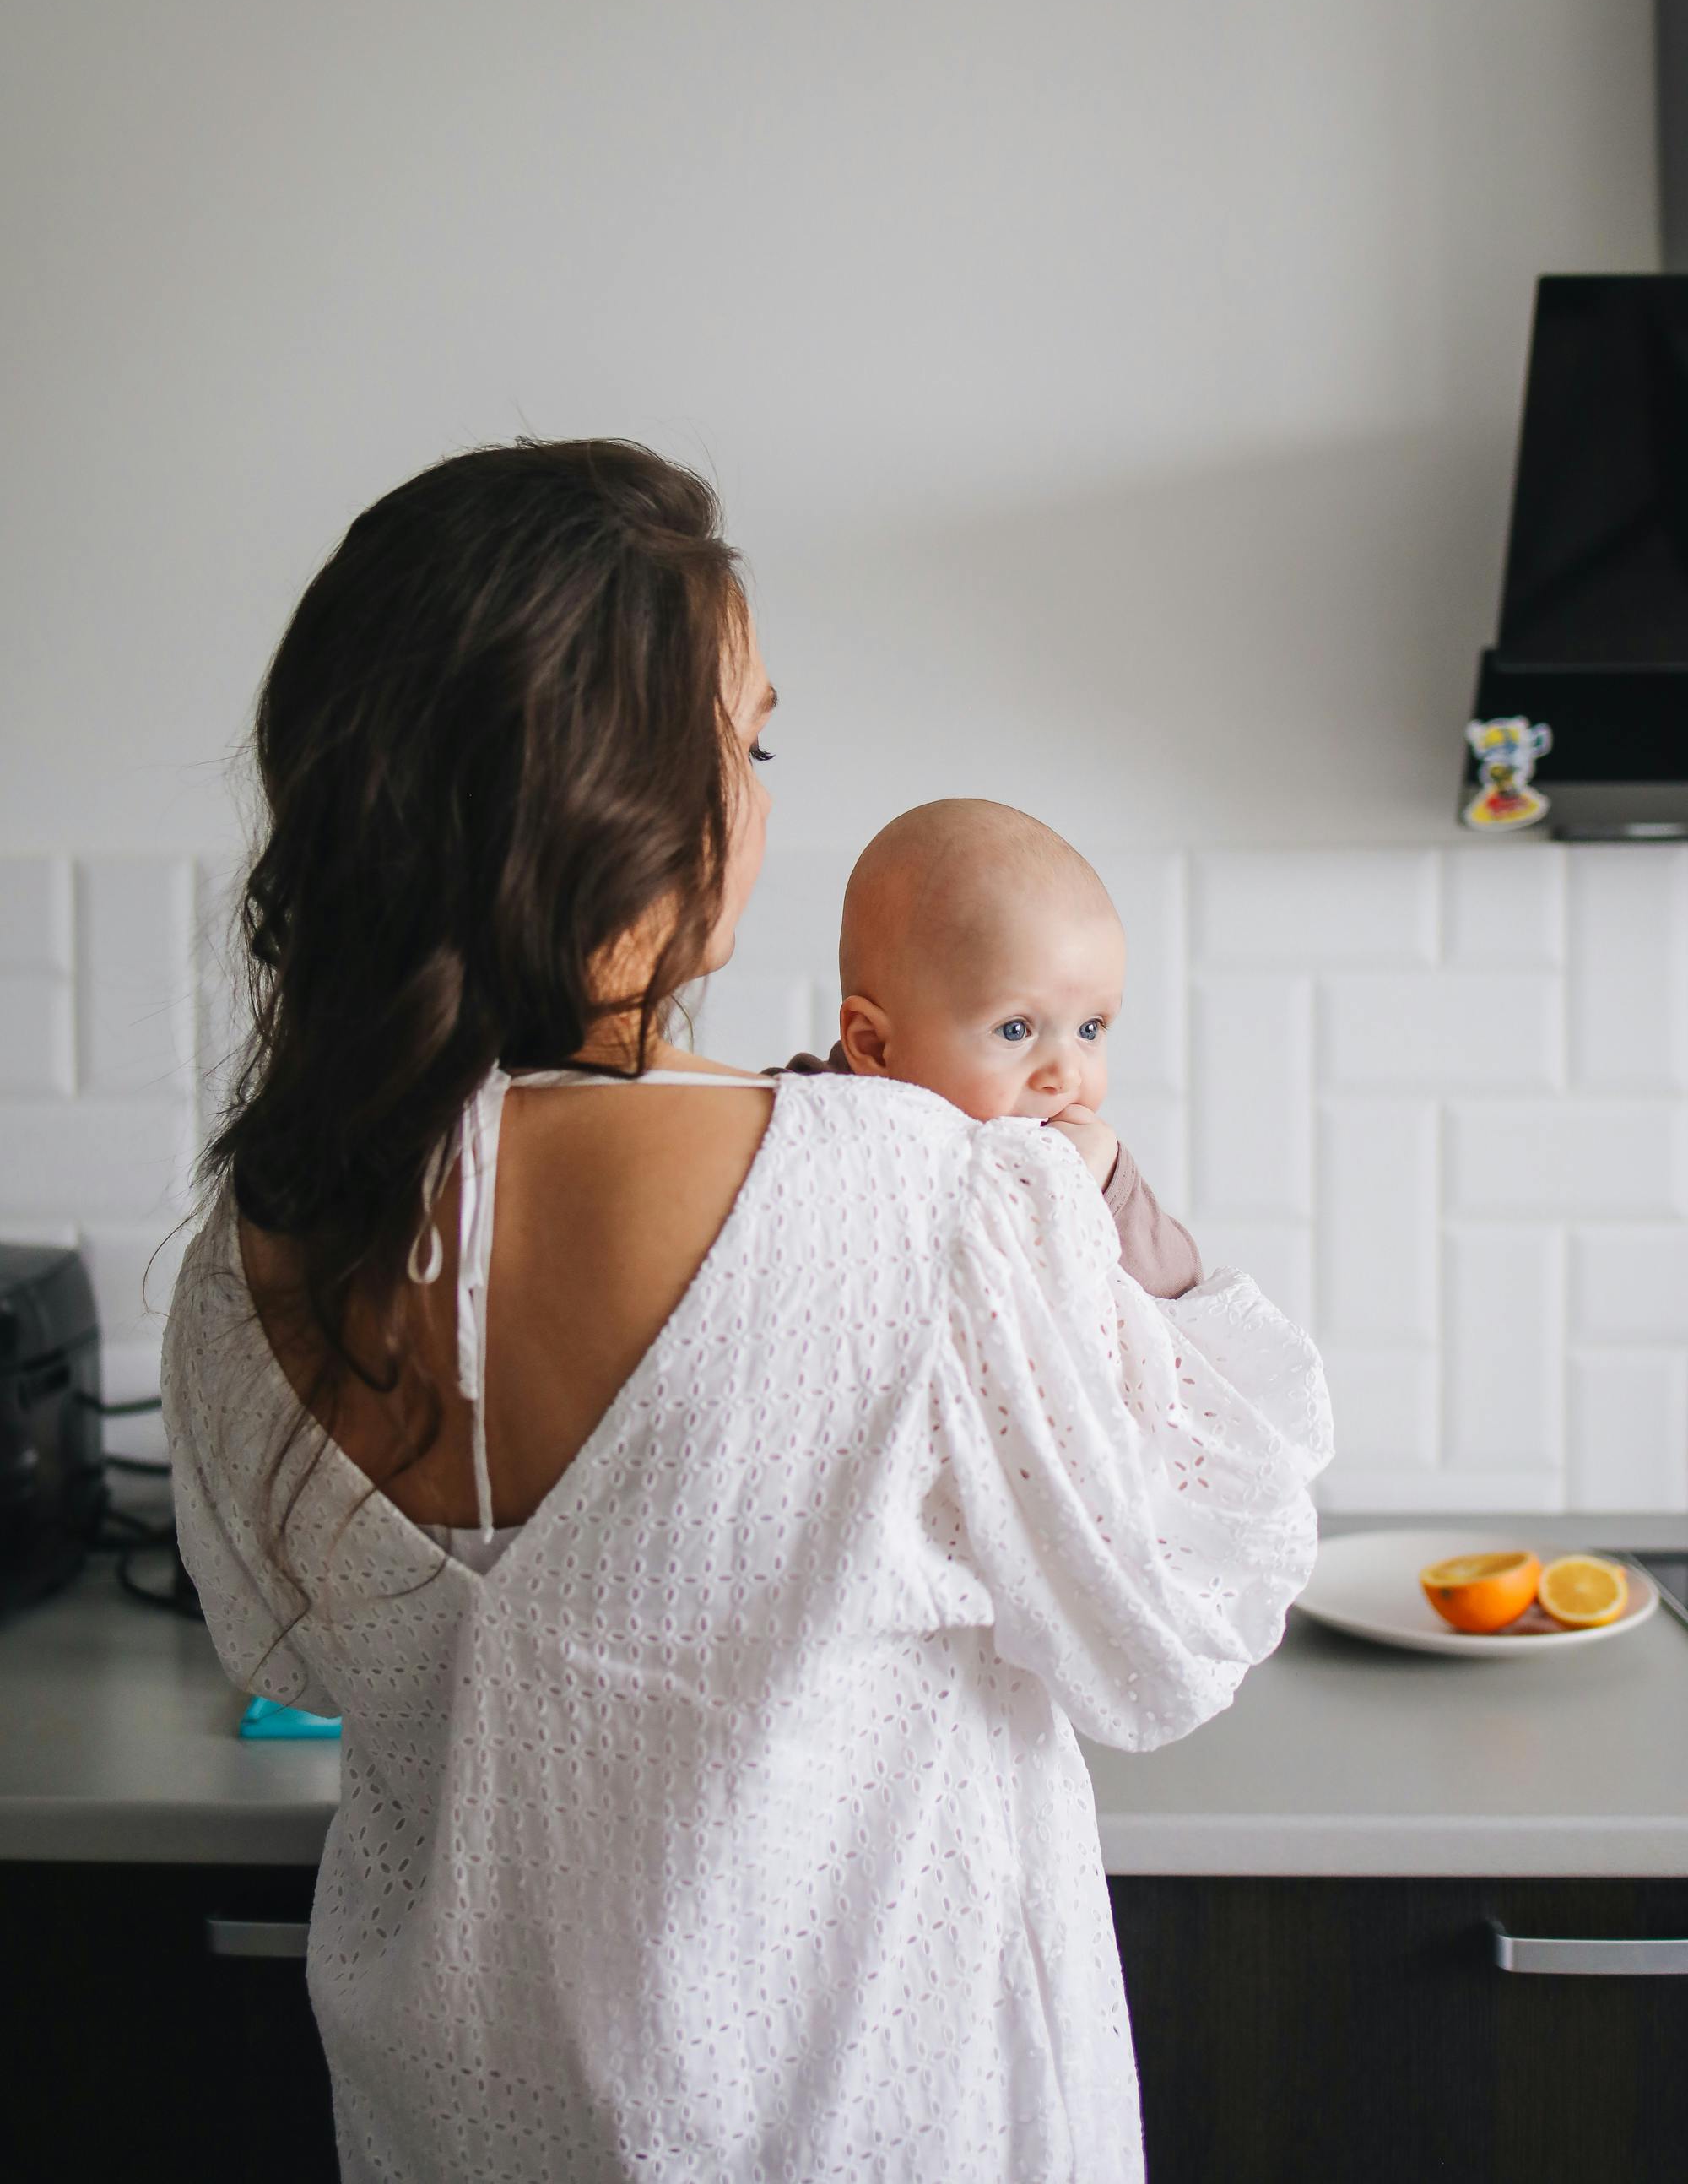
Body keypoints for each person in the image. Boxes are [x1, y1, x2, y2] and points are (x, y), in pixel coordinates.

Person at [160, 437, 1332, 2183]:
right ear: (628, 804)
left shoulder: (249, 1249)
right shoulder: (917, 1192)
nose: (765, 803)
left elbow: (286, 1653)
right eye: (750, 740)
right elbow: (1185, 1614)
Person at [770, 794, 1202, 1298]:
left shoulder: (1076, 1161)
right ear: (875, 1046)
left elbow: (1180, 1289)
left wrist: (1100, 1188)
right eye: (1015, 1030)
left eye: (1090, 1029)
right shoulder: (805, 1118)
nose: (1064, 1074)